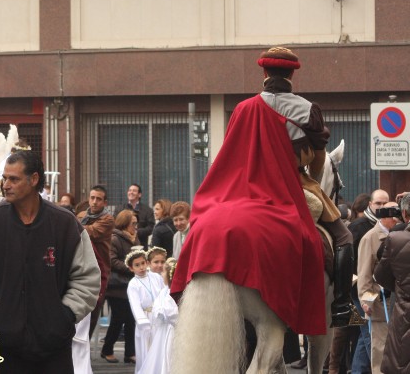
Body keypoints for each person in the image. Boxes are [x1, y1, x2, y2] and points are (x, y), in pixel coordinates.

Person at [171, 47, 351, 339]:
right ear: (292, 74)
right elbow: (318, 157)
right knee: (343, 238)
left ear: (264, 73)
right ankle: (343, 306)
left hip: (240, 187)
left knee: (203, 224)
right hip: (289, 186)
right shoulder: (307, 109)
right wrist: (314, 183)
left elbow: (233, 154)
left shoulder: (243, 109)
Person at [0, 150, 100, 373]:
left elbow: (87, 278)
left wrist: (64, 316)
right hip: (7, 349)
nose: (5, 185)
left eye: (13, 179)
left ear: (34, 179)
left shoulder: (65, 224)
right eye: (4, 178)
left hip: (56, 348)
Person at [357, 200, 401, 373]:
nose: (398, 219)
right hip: (380, 304)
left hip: (398, 305)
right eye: (394, 216)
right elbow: (365, 274)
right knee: (380, 351)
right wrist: (365, 300)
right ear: (384, 217)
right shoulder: (370, 238)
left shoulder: (399, 235)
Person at [373, 196, 410, 374]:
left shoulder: (395, 239)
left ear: (404, 213)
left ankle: (340, 304)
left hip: (404, 311)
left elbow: (380, 275)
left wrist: (400, 287)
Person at [76, 184, 114, 335]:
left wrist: (72, 224)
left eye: (99, 199)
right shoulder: (80, 216)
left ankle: (86, 346)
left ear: (105, 202)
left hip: (99, 269)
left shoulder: (107, 219)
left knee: (93, 308)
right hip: (80, 266)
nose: (94, 202)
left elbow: (90, 232)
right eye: (92, 198)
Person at [101, 209, 138, 364]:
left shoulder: (134, 239)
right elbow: (112, 260)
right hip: (116, 287)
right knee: (118, 319)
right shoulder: (115, 238)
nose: (136, 226)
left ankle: (130, 353)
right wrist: (130, 267)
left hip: (129, 285)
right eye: (133, 223)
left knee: (131, 320)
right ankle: (107, 349)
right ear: (125, 223)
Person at [126, 246, 164, 374]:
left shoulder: (156, 277)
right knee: (146, 348)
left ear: (147, 263)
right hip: (146, 318)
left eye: (143, 263)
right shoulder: (133, 284)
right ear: (131, 268)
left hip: (159, 316)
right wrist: (142, 321)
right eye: (137, 265)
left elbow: (164, 293)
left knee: (159, 347)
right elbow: (135, 305)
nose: (141, 267)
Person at [140, 257, 179, 374]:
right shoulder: (164, 291)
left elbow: (173, 314)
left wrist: (163, 312)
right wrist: (158, 310)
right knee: (160, 355)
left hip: (171, 330)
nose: (161, 274)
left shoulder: (173, 294)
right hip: (162, 330)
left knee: (169, 353)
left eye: (163, 272)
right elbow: (157, 305)